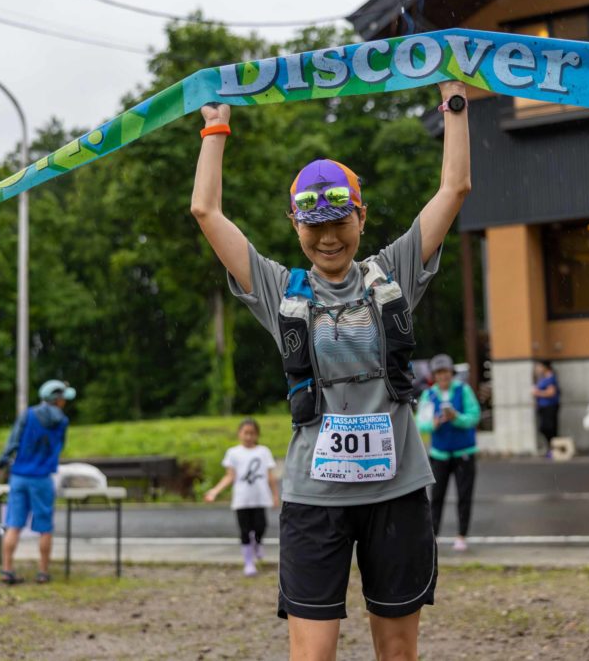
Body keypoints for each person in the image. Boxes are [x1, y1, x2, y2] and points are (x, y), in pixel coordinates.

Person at [190, 80, 470, 660]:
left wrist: (454, 101)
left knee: (398, 652)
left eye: (340, 221)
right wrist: (215, 129)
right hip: (314, 499)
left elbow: (454, 188)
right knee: (312, 654)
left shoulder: (393, 272)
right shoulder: (279, 290)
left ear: (361, 217)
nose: (328, 237)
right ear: (295, 225)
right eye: (313, 225)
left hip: (397, 491)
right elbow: (206, 211)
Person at [0, 379, 75, 584]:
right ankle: (43, 572)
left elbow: (13, 442)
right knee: (45, 527)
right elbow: (59, 447)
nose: (65, 402)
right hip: (42, 478)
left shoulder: (28, 415)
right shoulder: (62, 421)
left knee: (14, 524)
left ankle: (7, 570)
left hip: (19, 476)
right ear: (57, 399)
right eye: (63, 398)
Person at [416, 354, 481, 552]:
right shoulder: (429, 395)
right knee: (436, 497)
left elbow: (474, 416)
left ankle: (462, 535)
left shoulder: (463, 390)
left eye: (446, 372)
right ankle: (433, 535)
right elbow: (421, 423)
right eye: (439, 373)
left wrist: (456, 418)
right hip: (440, 454)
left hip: (464, 452)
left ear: (452, 373)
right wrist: (433, 424)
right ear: (434, 376)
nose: (443, 376)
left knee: (464, 496)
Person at [204, 418, 279, 576]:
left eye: (252, 433)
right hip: (242, 499)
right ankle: (248, 562)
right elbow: (229, 476)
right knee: (245, 531)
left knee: (261, 526)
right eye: (246, 433)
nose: (248, 437)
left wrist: (275, 495)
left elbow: (270, 476)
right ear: (239, 433)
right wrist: (215, 491)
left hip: (260, 498)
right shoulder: (233, 453)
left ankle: (258, 543)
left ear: (257, 435)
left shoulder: (263, 451)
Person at [532, 361, 561, 456]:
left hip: (549, 406)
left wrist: (538, 393)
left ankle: (553, 449)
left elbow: (551, 392)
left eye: (540, 366)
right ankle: (551, 448)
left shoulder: (550, 378)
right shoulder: (542, 378)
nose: (538, 369)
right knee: (543, 428)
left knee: (549, 428)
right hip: (543, 406)